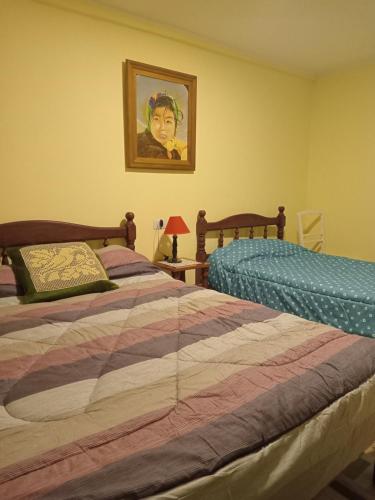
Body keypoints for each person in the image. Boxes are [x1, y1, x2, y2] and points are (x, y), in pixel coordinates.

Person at [137, 92, 187, 160]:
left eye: (168, 121)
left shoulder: (175, 150)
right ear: (149, 121)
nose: (162, 127)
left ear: (175, 125)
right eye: (156, 119)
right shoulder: (140, 145)